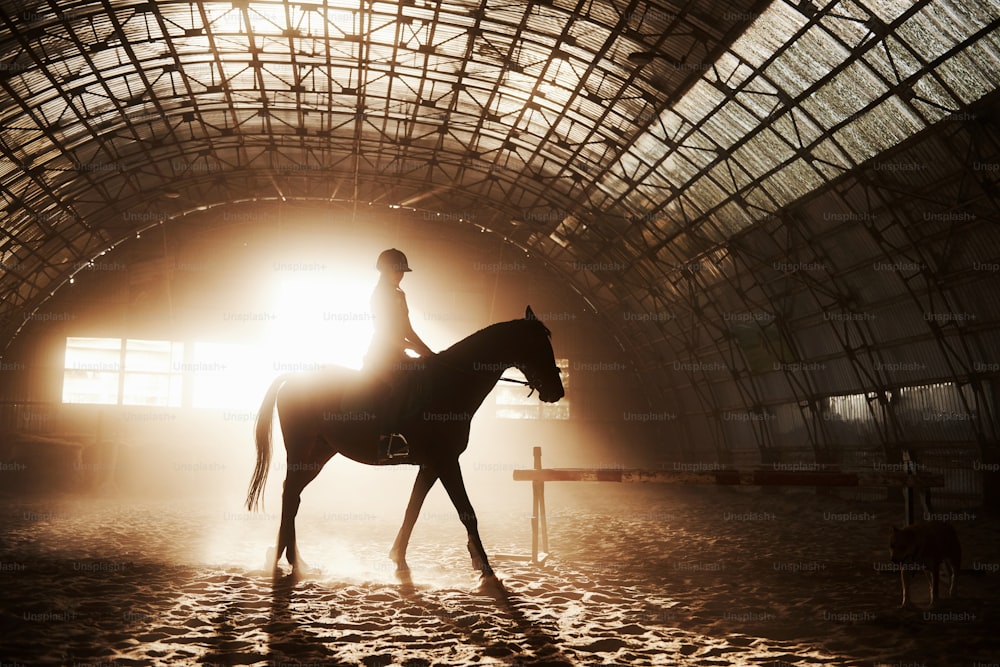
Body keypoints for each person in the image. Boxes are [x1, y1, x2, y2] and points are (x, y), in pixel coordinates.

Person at [364, 248, 434, 458]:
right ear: (385, 271)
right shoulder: (379, 296)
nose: (401, 275)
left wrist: (429, 352)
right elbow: (385, 333)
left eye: (403, 271)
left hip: (398, 355)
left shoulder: (399, 295)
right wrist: (415, 348)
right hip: (381, 356)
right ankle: (385, 440)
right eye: (398, 271)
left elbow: (408, 330)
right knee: (401, 386)